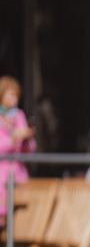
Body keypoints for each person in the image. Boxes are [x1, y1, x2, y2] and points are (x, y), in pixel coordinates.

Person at [0, 75, 36, 223]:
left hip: (19, 176)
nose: (15, 98)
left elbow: (30, 150)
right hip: (1, 177)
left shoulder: (19, 115)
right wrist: (13, 139)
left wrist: (27, 140)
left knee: (21, 218)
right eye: (11, 94)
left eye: (16, 94)